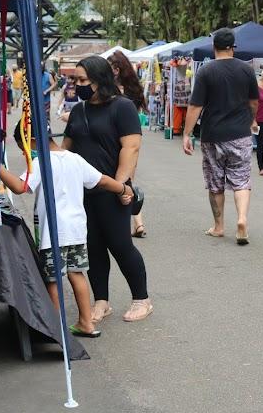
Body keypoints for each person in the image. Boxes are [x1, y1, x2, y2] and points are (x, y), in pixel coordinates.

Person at [0, 122, 134, 337]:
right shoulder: (74, 158)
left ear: (32, 142)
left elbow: (19, 187)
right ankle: (86, 323)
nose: (25, 153)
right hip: (76, 230)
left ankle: (56, 329)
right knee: (77, 273)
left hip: (53, 233)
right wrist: (122, 188)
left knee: (52, 280)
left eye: (22, 147)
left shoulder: (41, 162)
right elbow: (100, 180)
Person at [63, 56, 152, 323]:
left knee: (120, 245)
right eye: (75, 80)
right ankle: (101, 301)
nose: (77, 85)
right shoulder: (79, 111)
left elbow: (131, 147)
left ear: (99, 79)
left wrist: (121, 185)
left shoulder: (122, 107)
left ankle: (142, 300)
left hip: (112, 189)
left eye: (82, 80)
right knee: (93, 246)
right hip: (83, 192)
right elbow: (66, 148)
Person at [182, 28, 259, 245]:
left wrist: (187, 134)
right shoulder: (247, 70)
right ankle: (242, 220)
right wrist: (251, 119)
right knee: (242, 179)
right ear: (233, 48)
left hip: (213, 134)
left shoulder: (206, 72)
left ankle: (219, 226)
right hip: (240, 134)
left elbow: (196, 105)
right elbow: (254, 102)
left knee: (215, 181)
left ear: (214, 47)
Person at [107, 51, 150, 238]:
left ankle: (129, 223)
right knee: (128, 182)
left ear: (116, 70)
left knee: (120, 184)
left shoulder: (112, 92)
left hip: (114, 143)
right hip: (133, 142)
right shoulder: (134, 89)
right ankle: (138, 223)